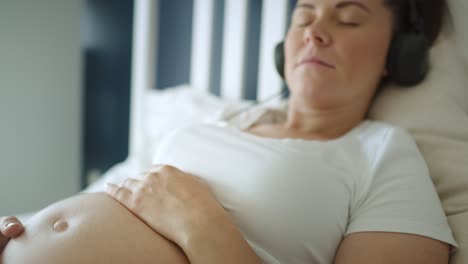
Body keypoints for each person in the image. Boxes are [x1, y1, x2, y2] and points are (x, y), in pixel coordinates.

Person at [0, 0, 459, 263]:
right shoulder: (222, 123)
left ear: (400, 54)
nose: (316, 31)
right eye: (304, 15)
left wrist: (200, 222)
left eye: (349, 17)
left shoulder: (383, 152)